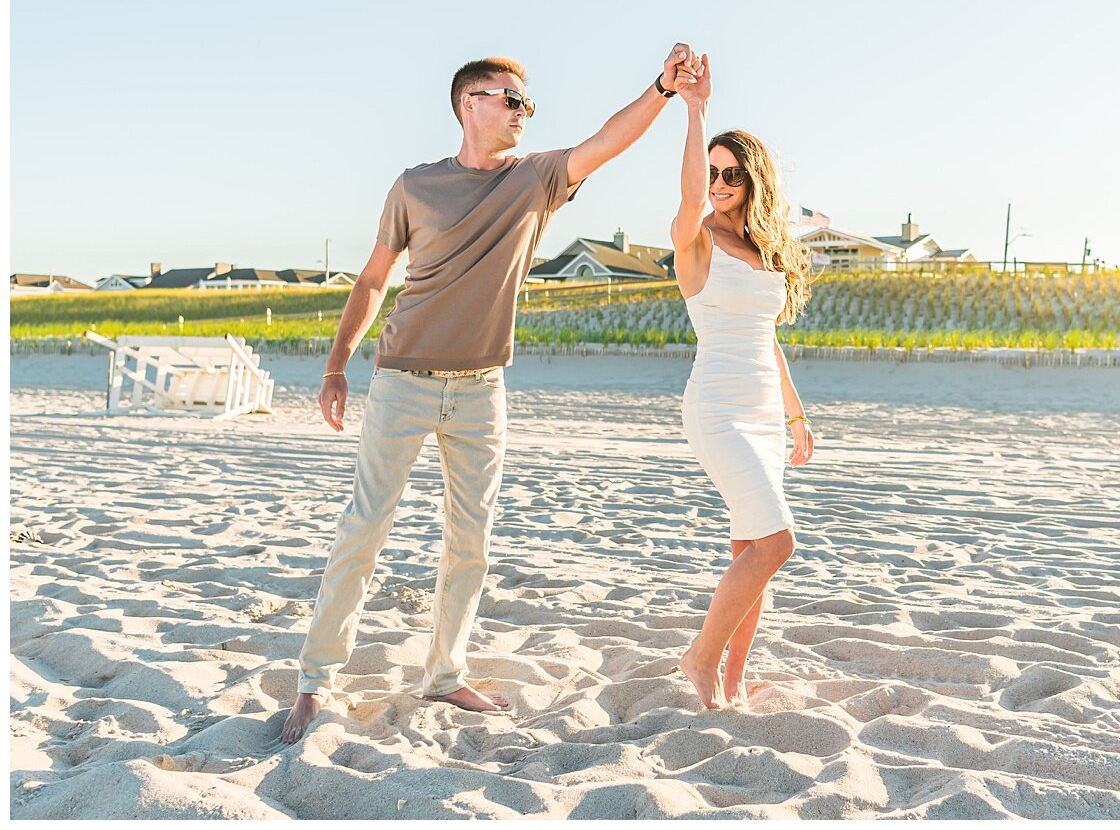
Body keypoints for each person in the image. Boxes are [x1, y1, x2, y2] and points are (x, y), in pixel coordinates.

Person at [279, 44, 704, 743]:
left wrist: (662, 88)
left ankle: (445, 675)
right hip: (402, 382)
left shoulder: (535, 178)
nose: (523, 112)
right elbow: (372, 279)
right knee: (363, 532)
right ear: (469, 105)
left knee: (469, 543)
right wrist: (335, 367)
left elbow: (607, 141)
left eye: (527, 103)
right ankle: (315, 682)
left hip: (482, 390)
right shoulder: (414, 186)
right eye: (510, 99)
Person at [666, 54, 816, 710]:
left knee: (751, 549)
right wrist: (695, 110)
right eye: (715, 171)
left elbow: (769, 340)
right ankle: (699, 659)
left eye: (732, 172)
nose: (720, 182)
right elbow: (691, 194)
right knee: (777, 543)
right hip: (716, 408)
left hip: (761, 409)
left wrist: (795, 415)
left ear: (753, 179)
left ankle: (730, 682)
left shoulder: (764, 249)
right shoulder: (694, 238)